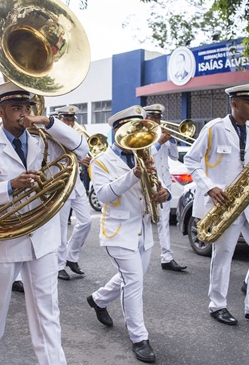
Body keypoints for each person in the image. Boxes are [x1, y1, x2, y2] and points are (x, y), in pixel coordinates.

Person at [0, 81, 88, 365]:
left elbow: (82, 148)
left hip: (42, 239)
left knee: (47, 308)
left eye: (27, 108)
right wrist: (9, 187)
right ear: (0, 112)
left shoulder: (45, 140)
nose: (23, 114)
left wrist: (49, 121)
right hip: (5, 241)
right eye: (16, 108)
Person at [184, 81, 249, 327]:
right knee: (223, 254)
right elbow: (191, 160)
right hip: (223, 203)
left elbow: (248, 163)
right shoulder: (214, 128)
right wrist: (210, 186)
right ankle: (217, 305)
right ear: (234, 103)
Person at [87, 105, 170, 364]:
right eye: (131, 131)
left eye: (141, 129)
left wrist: (163, 192)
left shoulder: (145, 155)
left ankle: (98, 299)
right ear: (116, 132)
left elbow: (156, 185)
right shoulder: (100, 161)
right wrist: (134, 175)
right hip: (118, 232)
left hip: (143, 231)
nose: (138, 136)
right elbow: (103, 196)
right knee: (133, 281)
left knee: (132, 277)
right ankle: (139, 338)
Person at [143, 104, 187, 272]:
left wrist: (173, 140)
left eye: (158, 118)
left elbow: (174, 156)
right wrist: (159, 143)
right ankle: (140, 253)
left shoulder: (163, 134)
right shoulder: (142, 136)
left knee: (164, 222)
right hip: (147, 184)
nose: (157, 121)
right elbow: (147, 156)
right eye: (153, 118)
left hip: (164, 183)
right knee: (144, 219)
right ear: (146, 119)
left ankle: (167, 257)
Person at [55, 105, 93, 280]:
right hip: (61, 185)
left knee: (86, 222)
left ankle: (71, 256)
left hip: (76, 183)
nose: (70, 123)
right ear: (59, 119)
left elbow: (83, 151)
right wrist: (78, 157)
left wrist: (85, 158)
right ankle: (59, 265)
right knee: (61, 228)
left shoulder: (77, 135)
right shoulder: (53, 135)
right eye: (67, 119)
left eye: (72, 119)